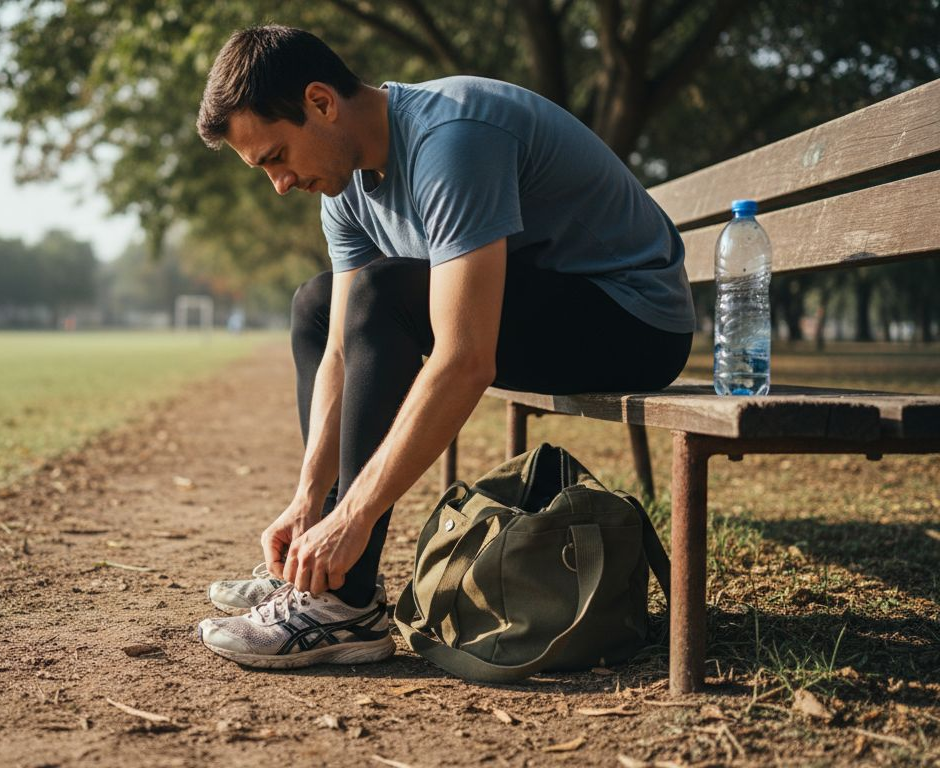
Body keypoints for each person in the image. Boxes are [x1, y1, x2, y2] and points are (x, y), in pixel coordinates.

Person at [194, 25, 695, 669]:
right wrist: (310, 500)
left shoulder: (452, 138)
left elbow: (464, 359)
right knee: (316, 305)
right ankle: (322, 580)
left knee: (382, 292)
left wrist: (352, 518)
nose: (280, 183)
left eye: (274, 157)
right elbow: (342, 350)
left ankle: (343, 600)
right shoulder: (345, 187)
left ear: (321, 103)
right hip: (547, 307)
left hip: (633, 322)